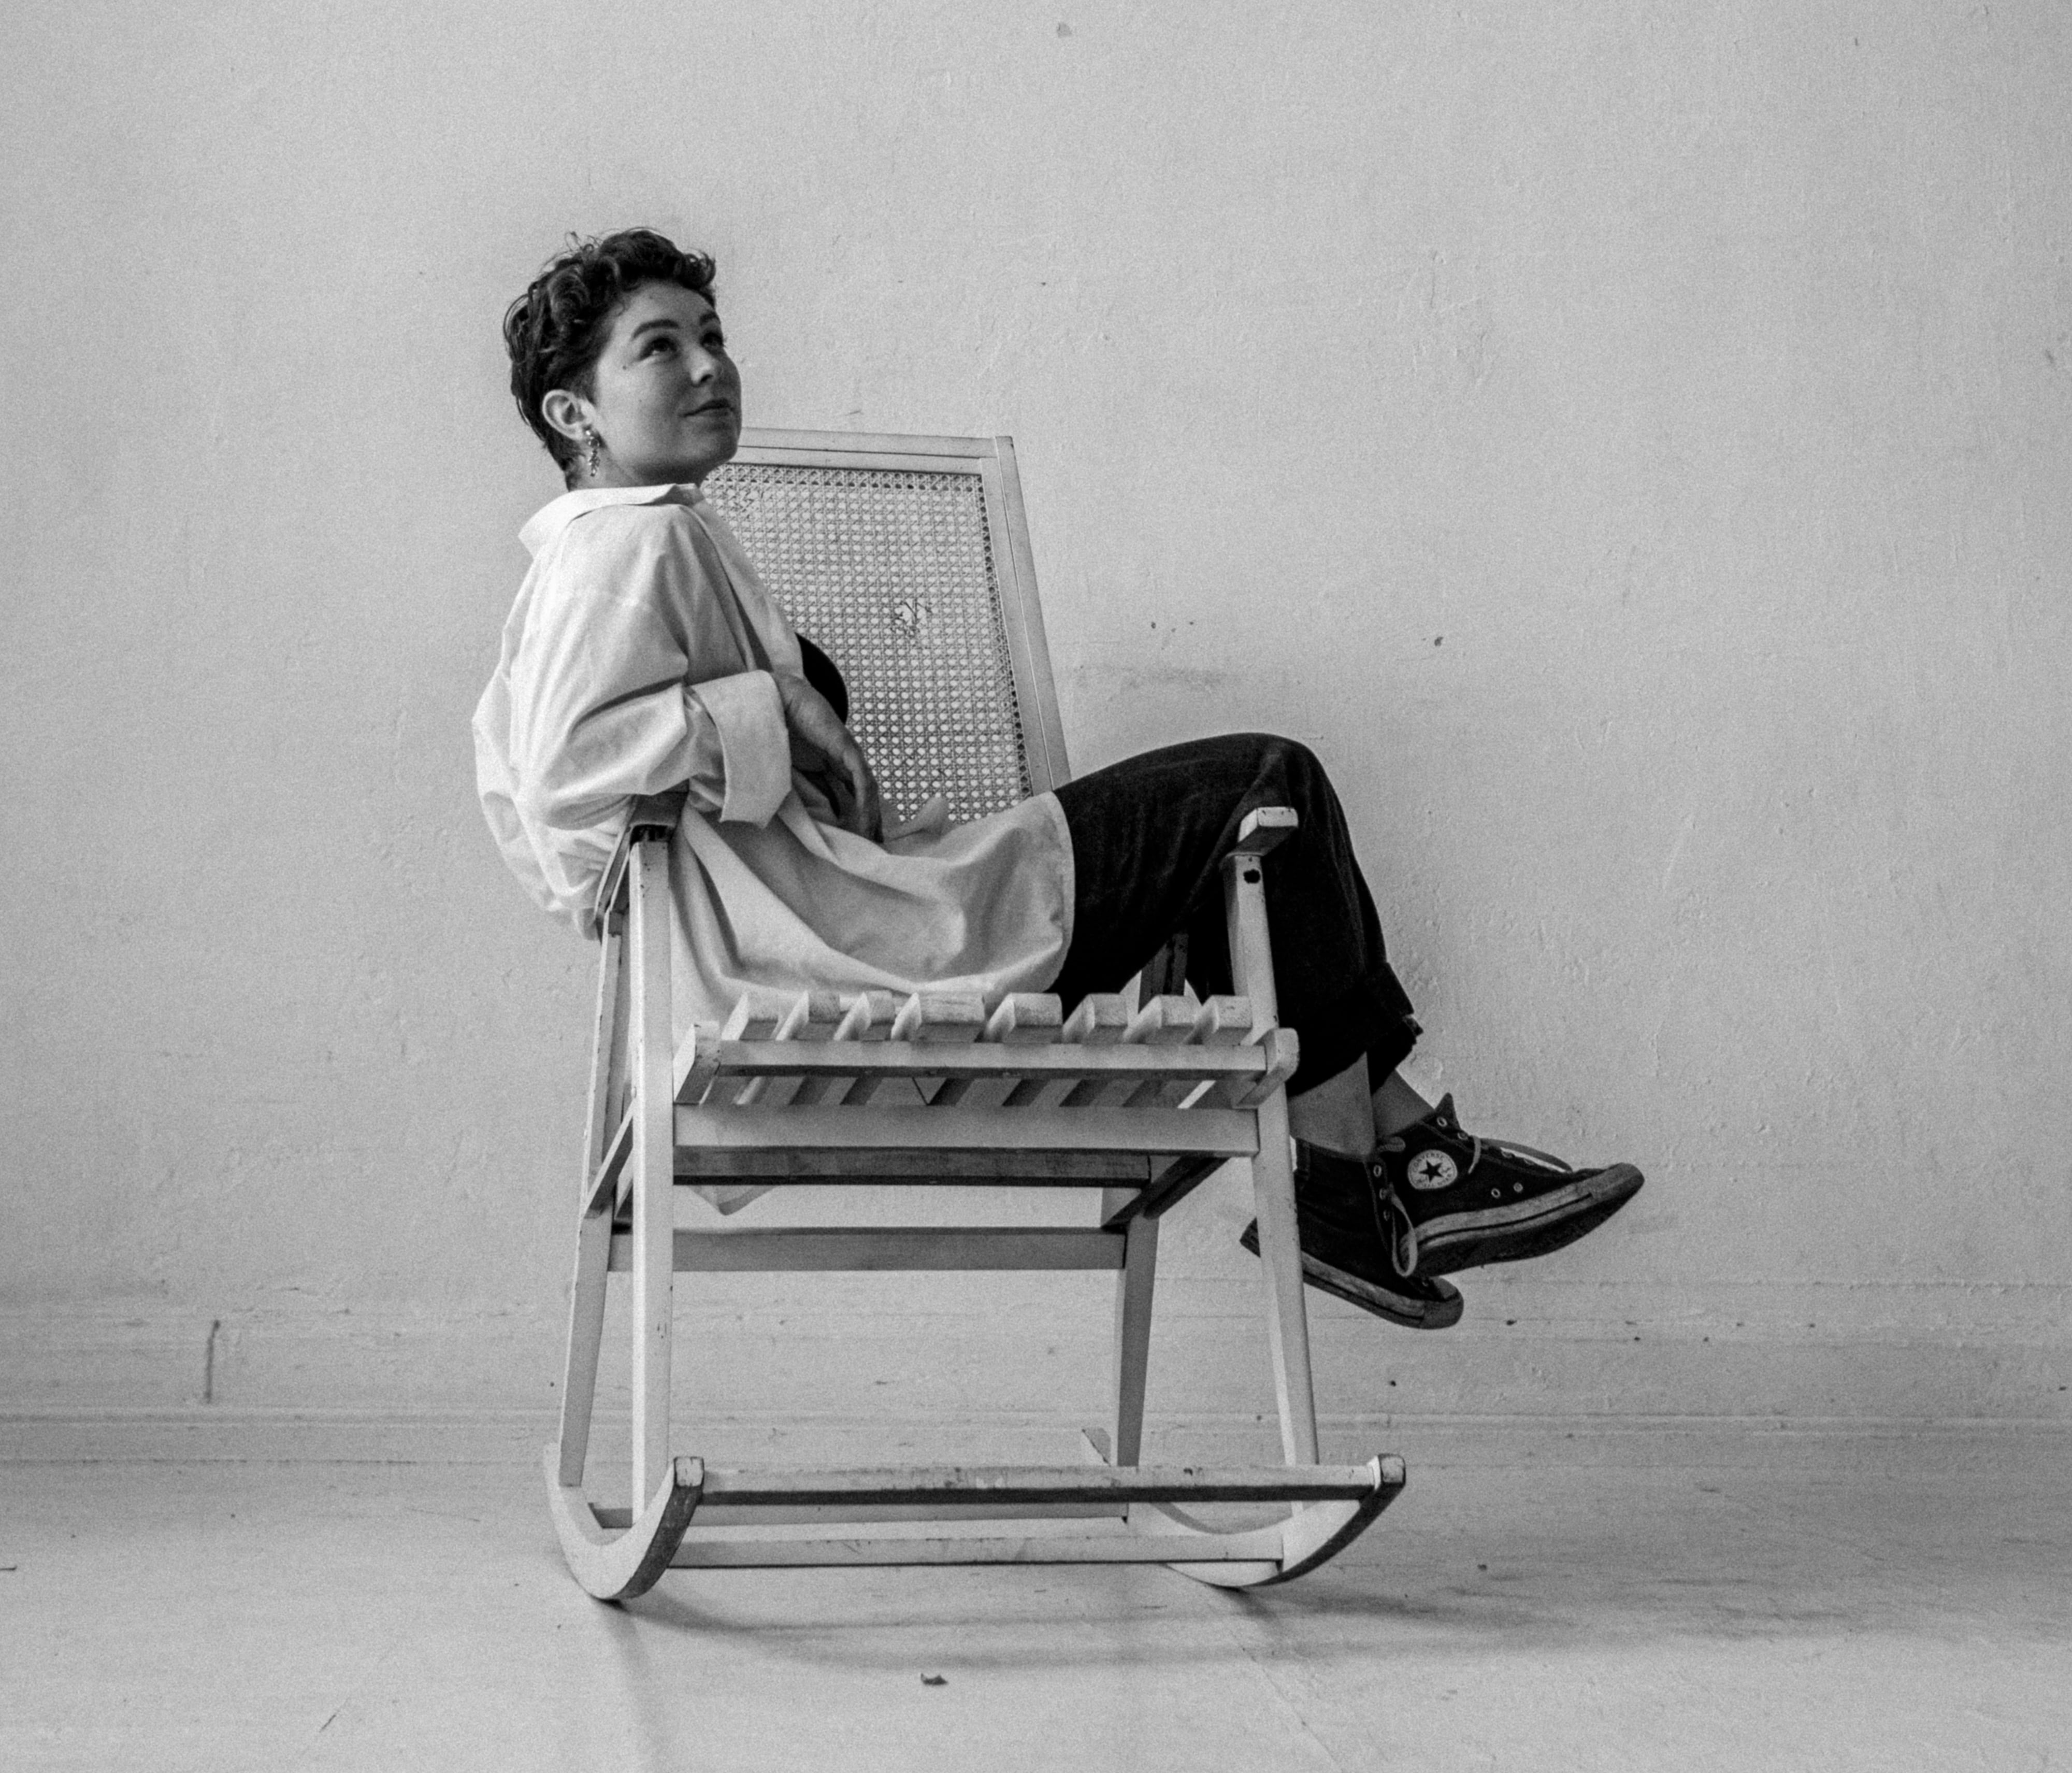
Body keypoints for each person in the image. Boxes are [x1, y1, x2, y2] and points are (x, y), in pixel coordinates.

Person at [476, 228, 1642, 1332]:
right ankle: (1366, 1178)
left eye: (712, 336)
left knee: (1251, 829)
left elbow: (555, 804)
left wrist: (754, 731)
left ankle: (1401, 1161)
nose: (708, 366)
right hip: (852, 949)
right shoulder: (630, 541)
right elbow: (559, 780)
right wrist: (770, 707)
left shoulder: (632, 544)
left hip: (835, 932)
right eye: (660, 347)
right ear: (574, 412)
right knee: (1261, 784)